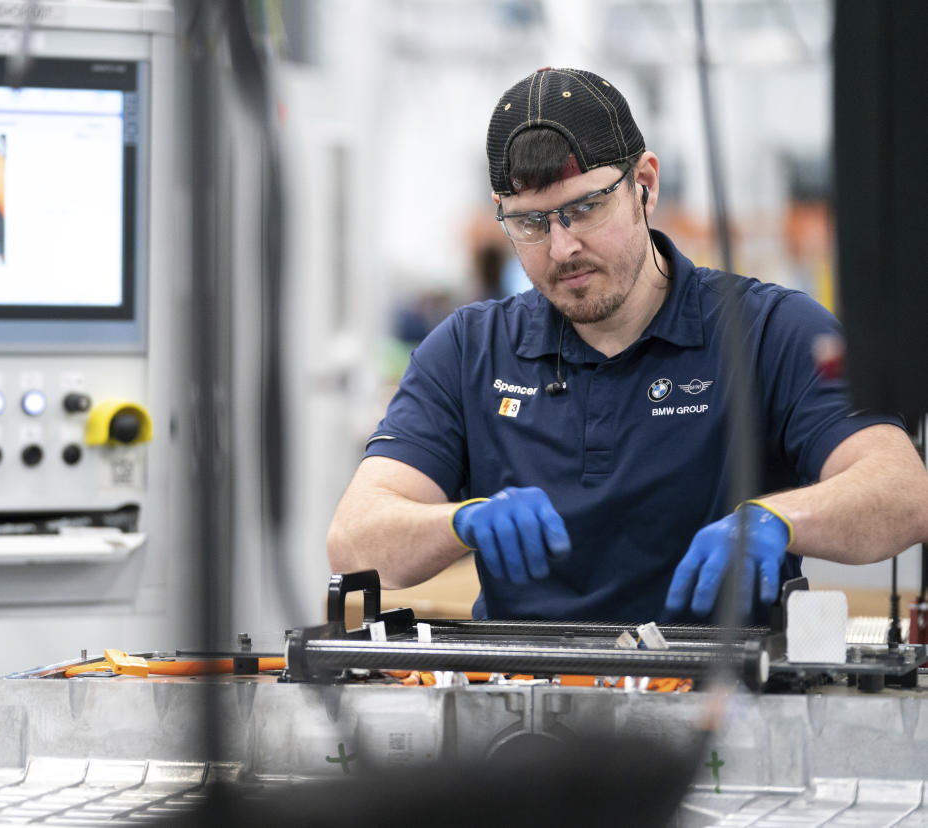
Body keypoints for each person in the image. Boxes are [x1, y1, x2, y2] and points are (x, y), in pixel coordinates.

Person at [327, 66, 928, 623]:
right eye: (531, 223)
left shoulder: (771, 331)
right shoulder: (469, 351)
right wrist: (457, 521)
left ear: (644, 184)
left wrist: (779, 519)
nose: (561, 249)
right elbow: (354, 538)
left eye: (585, 208)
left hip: (720, 713)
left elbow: (903, 490)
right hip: (522, 712)